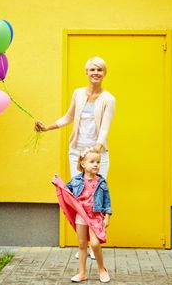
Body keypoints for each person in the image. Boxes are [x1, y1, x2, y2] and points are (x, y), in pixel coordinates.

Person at [35, 56, 115, 258]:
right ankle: (84, 244)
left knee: (95, 197)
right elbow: (68, 117)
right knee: (80, 196)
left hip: (98, 155)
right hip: (76, 153)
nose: (95, 73)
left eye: (99, 70)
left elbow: (104, 129)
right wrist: (47, 128)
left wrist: (94, 154)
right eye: (92, 70)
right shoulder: (78, 94)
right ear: (86, 73)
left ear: (104, 73)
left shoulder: (109, 99)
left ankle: (93, 244)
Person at [66, 147, 112, 282]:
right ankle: (82, 273)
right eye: (92, 161)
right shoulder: (75, 181)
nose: (96, 164)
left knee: (95, 244)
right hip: (81, 216)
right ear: (83, 164)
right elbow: (65, 191)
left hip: (95, 216)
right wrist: (57, 183)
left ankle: (102, 269)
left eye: (98, 162)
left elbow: (107, 201)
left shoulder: (101, 182)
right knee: (81, 245)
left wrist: (107, 216)